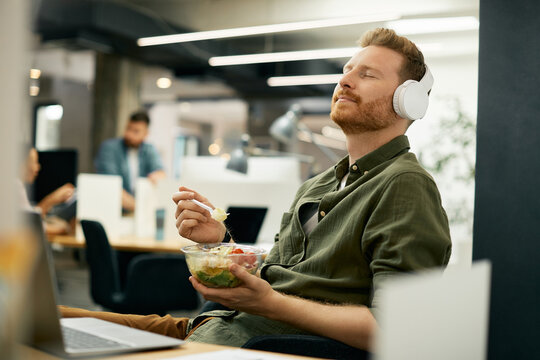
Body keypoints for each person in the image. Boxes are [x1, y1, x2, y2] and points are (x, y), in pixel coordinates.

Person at [61, 28, 452, 352]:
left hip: (254, 345)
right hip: (210, 328)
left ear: (408, 101)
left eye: (367, 75)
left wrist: (269, 304)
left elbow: (395, 331)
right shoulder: (319, 184)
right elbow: (270, 277)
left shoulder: (404, 184)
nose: (345, 80)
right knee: (52, 318)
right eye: (347, 70)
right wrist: (219, 243)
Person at [94, 110, 165, 212]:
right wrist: (140, 208)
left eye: (136, 131)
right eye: (128, 129)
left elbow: (160, 173)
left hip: (137, 212)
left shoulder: (149, 149)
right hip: (113, 209)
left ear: (146, 134)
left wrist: (157, 176)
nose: (129, 135)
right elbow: (111, 185)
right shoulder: (109, 148)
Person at [18, 146, 75, 235]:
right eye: (35, 162)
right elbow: (32, 224)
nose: (38, 167)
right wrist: (52, 200)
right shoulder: (16, 186)